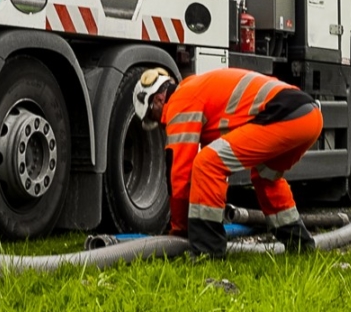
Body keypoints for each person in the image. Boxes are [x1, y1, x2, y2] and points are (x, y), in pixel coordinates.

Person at [133, 66, 324, 257]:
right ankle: (300, 246)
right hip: (308, 117)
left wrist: (180, 230)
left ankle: (208, 252)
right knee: (266, 176)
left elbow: (179, 173)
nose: (159, 123)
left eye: (153, 117)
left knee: (206, 163)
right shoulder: (199, 91)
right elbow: (215, 177)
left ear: (157, 100)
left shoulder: (180, 101)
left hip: (286, 115)